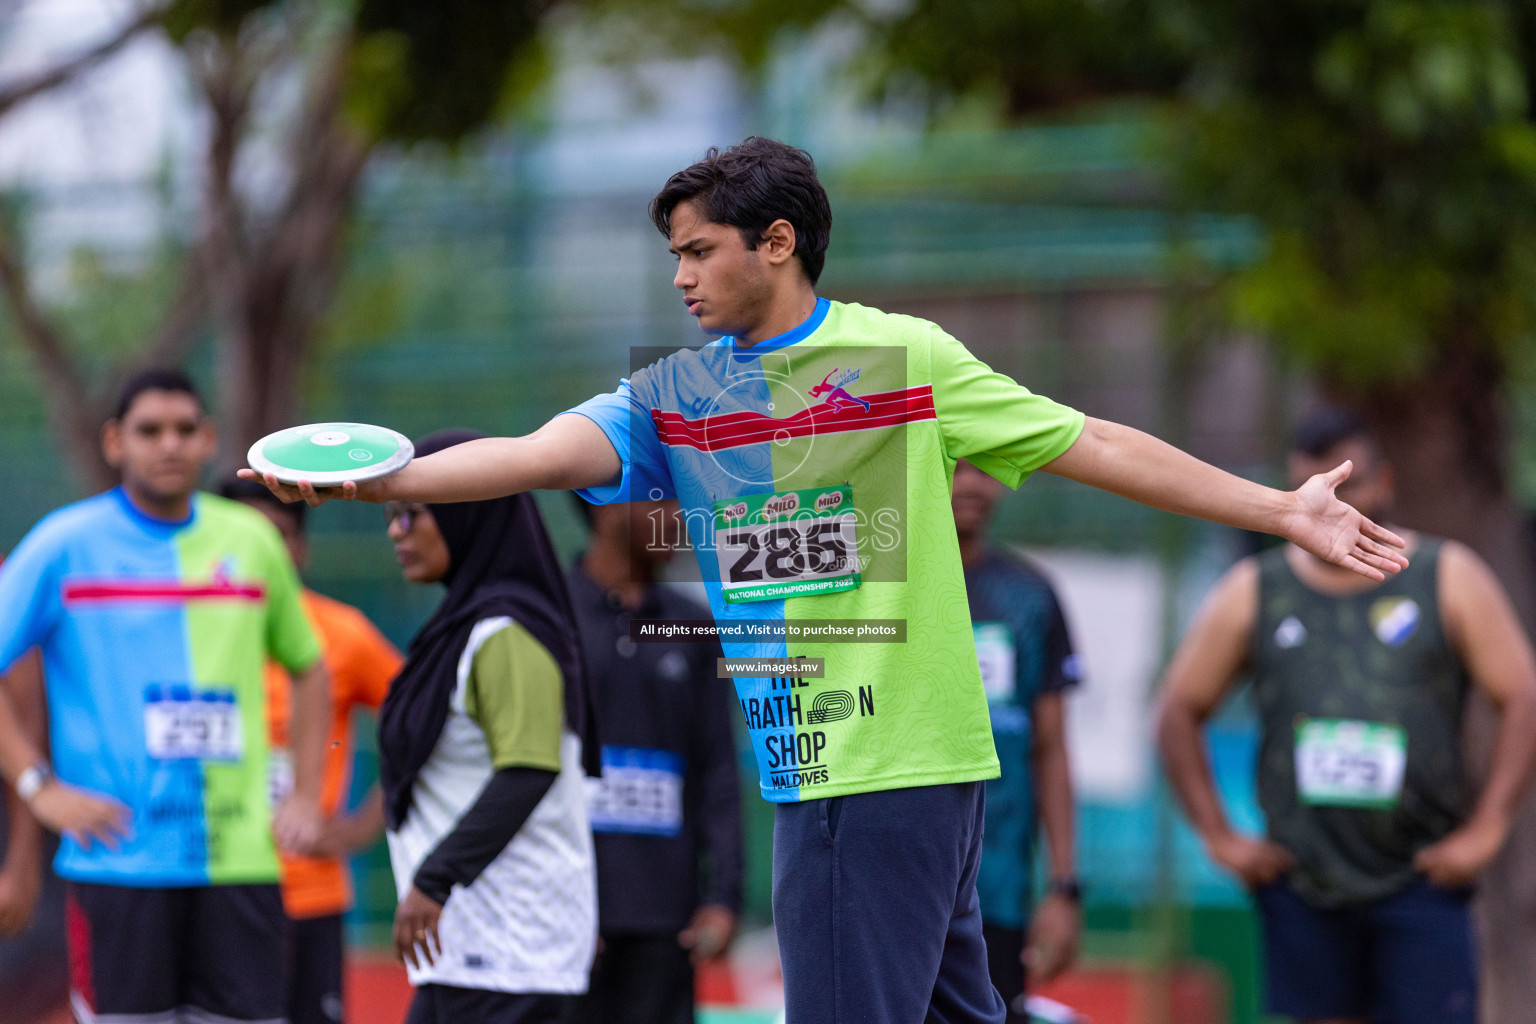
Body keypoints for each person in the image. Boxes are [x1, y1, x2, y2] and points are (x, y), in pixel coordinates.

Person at [244, 139, 1407, 1024]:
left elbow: (1090, 441)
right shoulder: (677, 391)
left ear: (780, 241)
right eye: (674, 257)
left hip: (879, 766)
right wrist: (382, 478)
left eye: (699, 250)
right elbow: (537, 453)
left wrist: (1278, 508)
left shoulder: (905, 358)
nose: (683, 276)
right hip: (853, 770)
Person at [1154, 408, 1536, 1024]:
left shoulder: (1447, 577)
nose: (1331, 506)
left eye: (1348, 485)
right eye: (1313, 487)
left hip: (1422, 878)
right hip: (1303, 884)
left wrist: (1488, 829)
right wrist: (1219, 836)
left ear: (1383, 482)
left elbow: (1521, 696)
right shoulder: (1256, 590)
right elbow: (1176, 709)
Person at [0, 367, 331, 1023]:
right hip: (116, 865)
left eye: (185, 430)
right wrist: (40, 788)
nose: (170, 445)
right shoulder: (64, 544)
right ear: (114, 442)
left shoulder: (252, 540)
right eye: (150, 431)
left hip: (239, 864)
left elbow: (310, 667)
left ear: (209, 439)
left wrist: (305, 793)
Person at [380, 430, 600, 1024]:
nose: (396, 533)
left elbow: (529, 769)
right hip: (471, 949)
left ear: (467, 514)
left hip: (510, 950)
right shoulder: (465, 631)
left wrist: (434, 881)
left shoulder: (505, 634)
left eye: (413, 514)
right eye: (392, 516)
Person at [221, 477, 404, 1024]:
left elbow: (427, 726)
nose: (259, 553)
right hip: (210, 888)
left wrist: (359, 828)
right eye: (242, 535)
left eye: (274, 536)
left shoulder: (341, 635)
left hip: (309, 894)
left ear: (300, 549)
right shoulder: (183, 630)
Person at [564, 496, 742, 1024]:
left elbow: (718, 767)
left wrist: (724, 896)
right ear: (607, 508)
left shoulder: (694, 627)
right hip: (566, 914)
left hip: (668, 923)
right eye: (661, 497)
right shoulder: (549, 615)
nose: (681, 515)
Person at [952, 460, 1082, 1021]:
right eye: (954, 468)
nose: (972, 485)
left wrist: (1063, 887)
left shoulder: (1030, 594)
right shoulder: (875, 588)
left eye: (985, 470)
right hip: (892, 887)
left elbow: (1051, 748)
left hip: (997, 889)